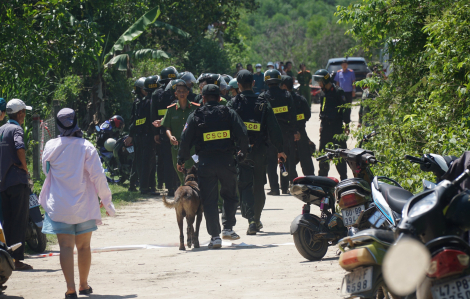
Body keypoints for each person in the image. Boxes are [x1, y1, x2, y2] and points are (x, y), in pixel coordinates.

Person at [40, 108, 116, 298]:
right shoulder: (86, 146)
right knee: (84, 247)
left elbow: (45, 170)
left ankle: (70, 289)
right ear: (76, 122)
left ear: (58, 125)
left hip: (59, 206)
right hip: (84, 205)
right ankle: (83, 285)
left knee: (65, 247)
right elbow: (99, 177)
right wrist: (107, 203)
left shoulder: (51, 146)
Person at [177, 84, 248, 248]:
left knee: (209, 200)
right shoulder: (229, 113)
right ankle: (228, 228)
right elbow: (243, 133)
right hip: (227, 161)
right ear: (219, 98)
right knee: (230, 195)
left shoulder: (196, 115)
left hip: (205, 163)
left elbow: (185, 138)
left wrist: (181, 159)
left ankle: (215, 237)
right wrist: (243, 152)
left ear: (202, 98)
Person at [227, 70, 285, 235]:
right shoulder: (263, 103)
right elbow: (274, 128)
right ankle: (256, 219)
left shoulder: (233, 103)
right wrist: (280, 149)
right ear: (253, 83)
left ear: (238, 85)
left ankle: (251, 219)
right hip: (260, 151)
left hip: (241, 152)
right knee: (259, 186)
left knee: (244, 185)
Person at [0, 98, 33, 270]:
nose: (24, 116)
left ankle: (6, 257)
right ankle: (17, 260)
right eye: (24, 112)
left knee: (8, 221)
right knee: (20, 220)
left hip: (3, 183)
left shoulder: (2, 129)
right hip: (17, 181)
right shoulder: (16, 129)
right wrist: (25, 167)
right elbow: (20, 147)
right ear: (20, 113)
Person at [259, 69, 299, 195]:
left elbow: (260, 118)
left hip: (270, 133)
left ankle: (274, 189)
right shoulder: (287, 95)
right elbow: (293, 115)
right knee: (284, 158)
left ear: (266, 81)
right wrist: (294, 130)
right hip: (285, 132)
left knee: (271, 161)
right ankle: (285, 187)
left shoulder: (263, 97)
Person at [313, 69, 350, 180]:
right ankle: (322, 180)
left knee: (340, 154)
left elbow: (345, 109)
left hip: (336, 127)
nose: (319, 84)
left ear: (325, 80)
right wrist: (321, 124)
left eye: (320, 81)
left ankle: (344, 178)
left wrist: (346, 124)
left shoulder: (338, 91)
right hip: (325, 128)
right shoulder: (323, 92)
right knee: (323, 154)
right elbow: (322, 109)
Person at [161, 80, 200, 185]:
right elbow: (167, 127)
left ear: (188, 92)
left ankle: (194, 195)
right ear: (175, 94)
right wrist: (170, 137)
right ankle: (186, 195)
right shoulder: (171, 110)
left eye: (184, 91)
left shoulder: (196, 108)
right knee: (180, 171)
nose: (181, 93)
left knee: (193, 171)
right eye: (179, 91)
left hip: (192, 146)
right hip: (177, 146)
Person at [150, 67, 180, 197]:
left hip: (163, 131)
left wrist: (156, 132)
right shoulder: (179, 91)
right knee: (179, 158)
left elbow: (153, 115)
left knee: (167, 160)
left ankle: (170, 187)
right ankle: (179, 185)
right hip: (177, 130)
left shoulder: (156, 94)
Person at [125, 77, 157, 195]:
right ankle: (144, 187)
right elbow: (138, 120)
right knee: (144, 162)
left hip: (141, 135)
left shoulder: (142, 102)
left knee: (144, 162)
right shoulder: (143, 102)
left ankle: (146, 186)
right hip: (144, 135)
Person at [280, 75, 315, 176]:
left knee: (288, 160)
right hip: (301, 133)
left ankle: (291, 181)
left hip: (288, 134)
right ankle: (310, 180)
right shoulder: (301, 99)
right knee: (305, 159)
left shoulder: (283, 101)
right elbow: (307, 115)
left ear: (285, 86)